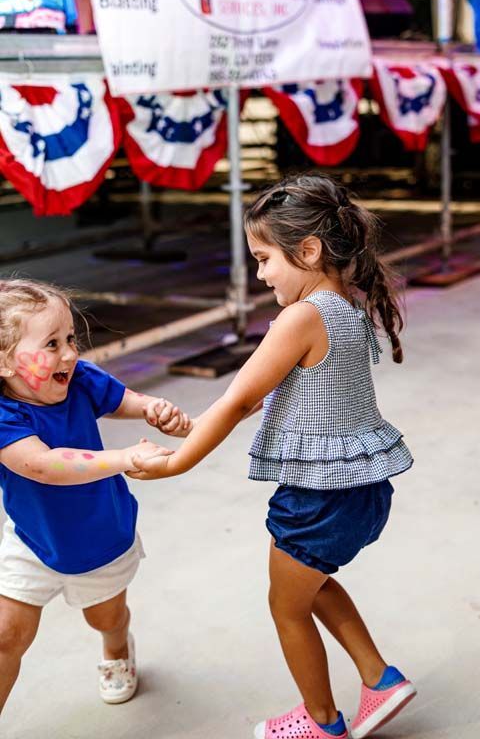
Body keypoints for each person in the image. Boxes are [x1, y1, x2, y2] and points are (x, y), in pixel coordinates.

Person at [133, 173, 416, 739]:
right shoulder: (345, 308)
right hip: (362, 488)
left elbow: (239, 399)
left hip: (319, 499)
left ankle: (321, 723)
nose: (260, 274)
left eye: (264, 259)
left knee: (286, 606)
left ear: (308, 251)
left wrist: (176, 461)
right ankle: (379, 678)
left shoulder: (301, 318)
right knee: (310, 585)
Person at [0, 278, 191, 715]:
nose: (69, 352)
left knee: (105, 617)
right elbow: (42, 465)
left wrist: (150, 408)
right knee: (6, 636)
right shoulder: (4, 415)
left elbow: (121, 398)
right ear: (4, 363)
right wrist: (124, 457)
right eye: (51, 343)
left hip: (100, 538)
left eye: (70, 337)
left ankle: (117, 646)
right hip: (31, 542)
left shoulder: (79, 379)